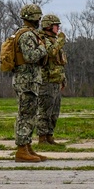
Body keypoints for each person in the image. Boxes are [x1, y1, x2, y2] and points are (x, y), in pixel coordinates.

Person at [11, 3, 49, 163]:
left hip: (31, 80)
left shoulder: (31, 34)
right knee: (25, 115)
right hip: (26, 81)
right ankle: (21, 149)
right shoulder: (26, 35)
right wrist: (43, 48)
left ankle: (27, 146)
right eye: (37, 16)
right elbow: (30, 56)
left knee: (31, 115)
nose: (39, 19)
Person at [37, 14, 67, 146]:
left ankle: (50, 136)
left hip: (56, 80)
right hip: (46, 81)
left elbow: (59, 62)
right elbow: (50, 52)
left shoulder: (54, 40)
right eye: (56, 25)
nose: (58, 27)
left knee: (54, 112)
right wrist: (60, 41)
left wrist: (63, 79)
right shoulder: (43, 39)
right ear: (49, 26)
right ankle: (42, 138)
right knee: (45, 111)